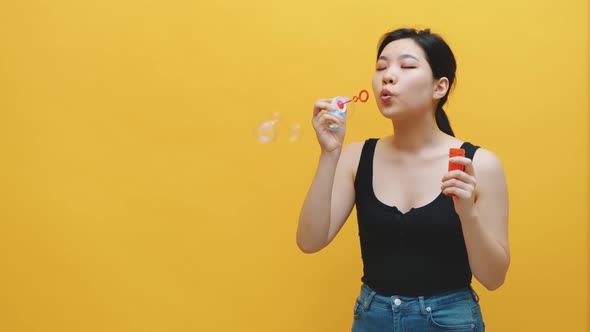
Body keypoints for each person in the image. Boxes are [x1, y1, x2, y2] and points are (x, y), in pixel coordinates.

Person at [296, 28, 510, 331]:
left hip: (450, 322)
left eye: (406, 66)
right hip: (373, 319)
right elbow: (310, 241)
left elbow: (494, 278)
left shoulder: (476, 164)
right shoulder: (356, 158)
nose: (388, 76)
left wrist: (468, 214)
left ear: (440, 87)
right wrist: (329, 154)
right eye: (381, 67)